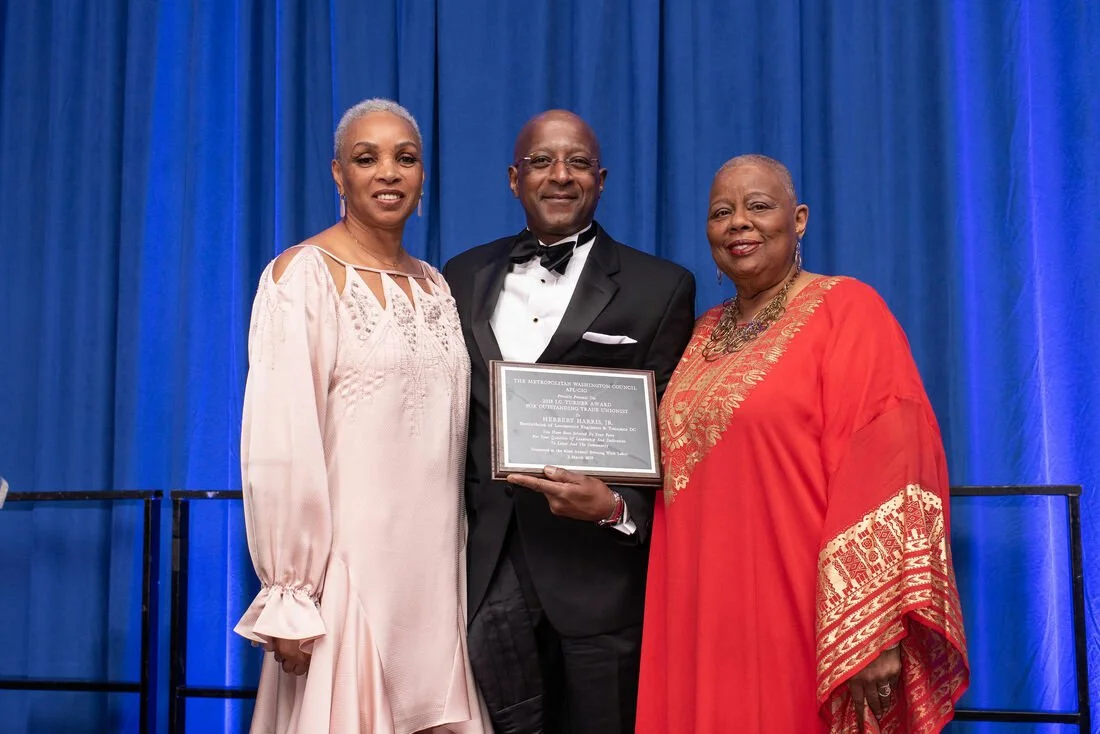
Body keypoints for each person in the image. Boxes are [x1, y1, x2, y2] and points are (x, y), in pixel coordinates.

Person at [635, 154, 969, 733]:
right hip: (699, 611)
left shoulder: (849, 311)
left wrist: (873, 625)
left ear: (800, 220)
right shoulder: (701, 333)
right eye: (722, 212)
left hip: (801, 612)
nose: (739, 223)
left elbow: (891, 463)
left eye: (758, 207)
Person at [234, 98, 489, 734]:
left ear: (423, 177)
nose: (389, 173)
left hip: (435, 576)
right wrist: (291, 591)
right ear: (337, 174)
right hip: (347, 575)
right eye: (366, 158)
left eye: (406, 158)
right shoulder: (302, 278)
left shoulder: (436, 286)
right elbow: (280, 441)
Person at [443, 110, 695, 734]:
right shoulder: (458, 275)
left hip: (597, 579)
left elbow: (673, 432)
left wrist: (614, 506)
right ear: (513, 178)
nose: (560, 176)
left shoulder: (659, 287)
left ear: (601, 179)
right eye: (541, 162)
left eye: (578, 162)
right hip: (480, 575)